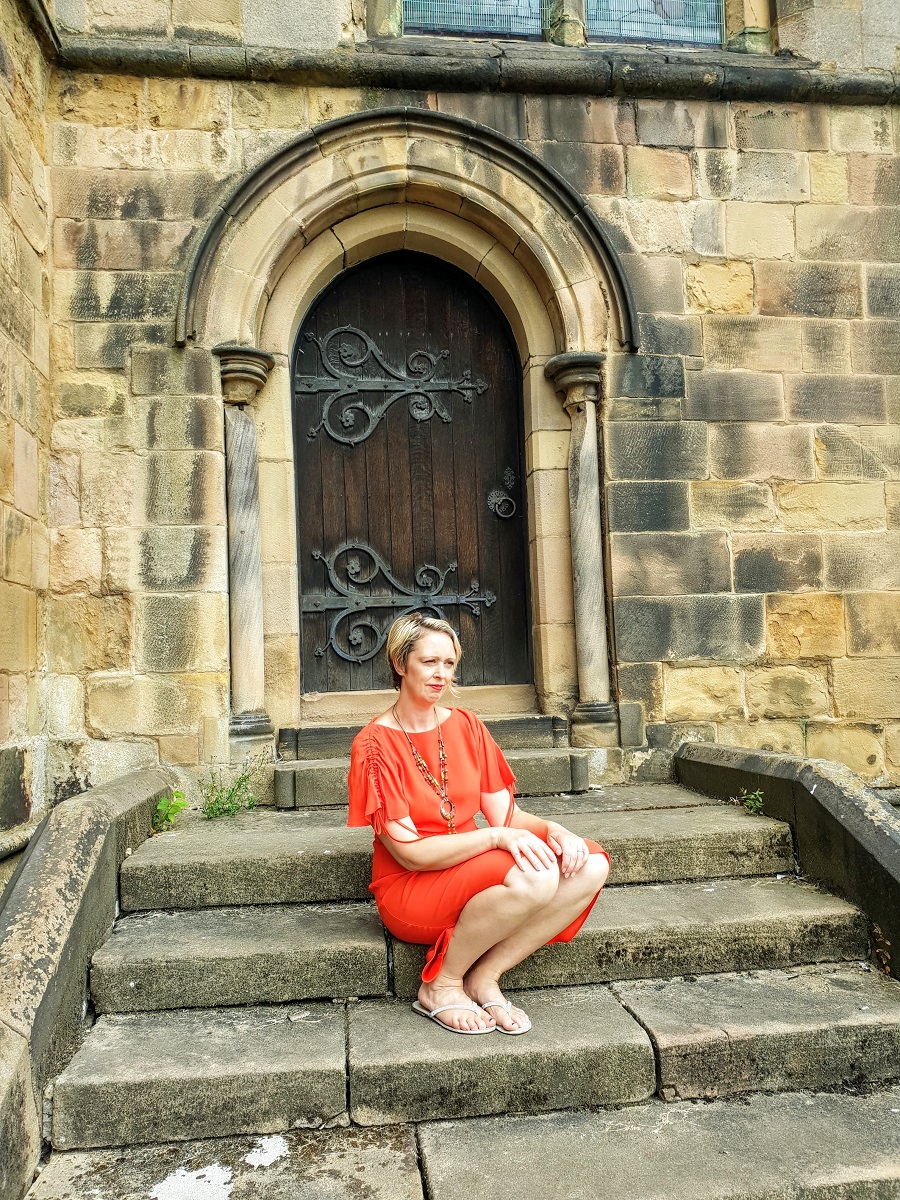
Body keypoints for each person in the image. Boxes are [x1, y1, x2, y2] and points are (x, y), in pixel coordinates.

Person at [347, 612, 610, 1035]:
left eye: (449, 664)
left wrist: (556, 830)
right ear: (400, 663)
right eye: (429, 662)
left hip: (474, 870)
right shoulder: (374, 745)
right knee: (536, 877)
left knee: (591, 864)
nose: (441, 675)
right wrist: (494, 837)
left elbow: (508, 817)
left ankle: (484, 976)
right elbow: (409, 853)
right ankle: (440, 985)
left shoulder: (467, 727)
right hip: (412, 887)